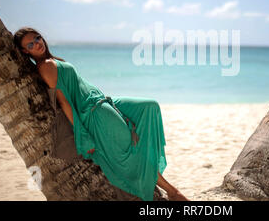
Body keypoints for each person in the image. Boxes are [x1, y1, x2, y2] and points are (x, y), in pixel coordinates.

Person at [13, 27, 189, 201]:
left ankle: (168, 188)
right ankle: (173, 192)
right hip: (95, 113)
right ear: (24, 51)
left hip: (103, 101)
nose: (37, 44)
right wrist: (83, 134)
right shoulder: (46, 66)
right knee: (131, 151)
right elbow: (64, 102)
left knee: (149, 107)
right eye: (30, 44)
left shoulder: (51, 60)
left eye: (37, 38)